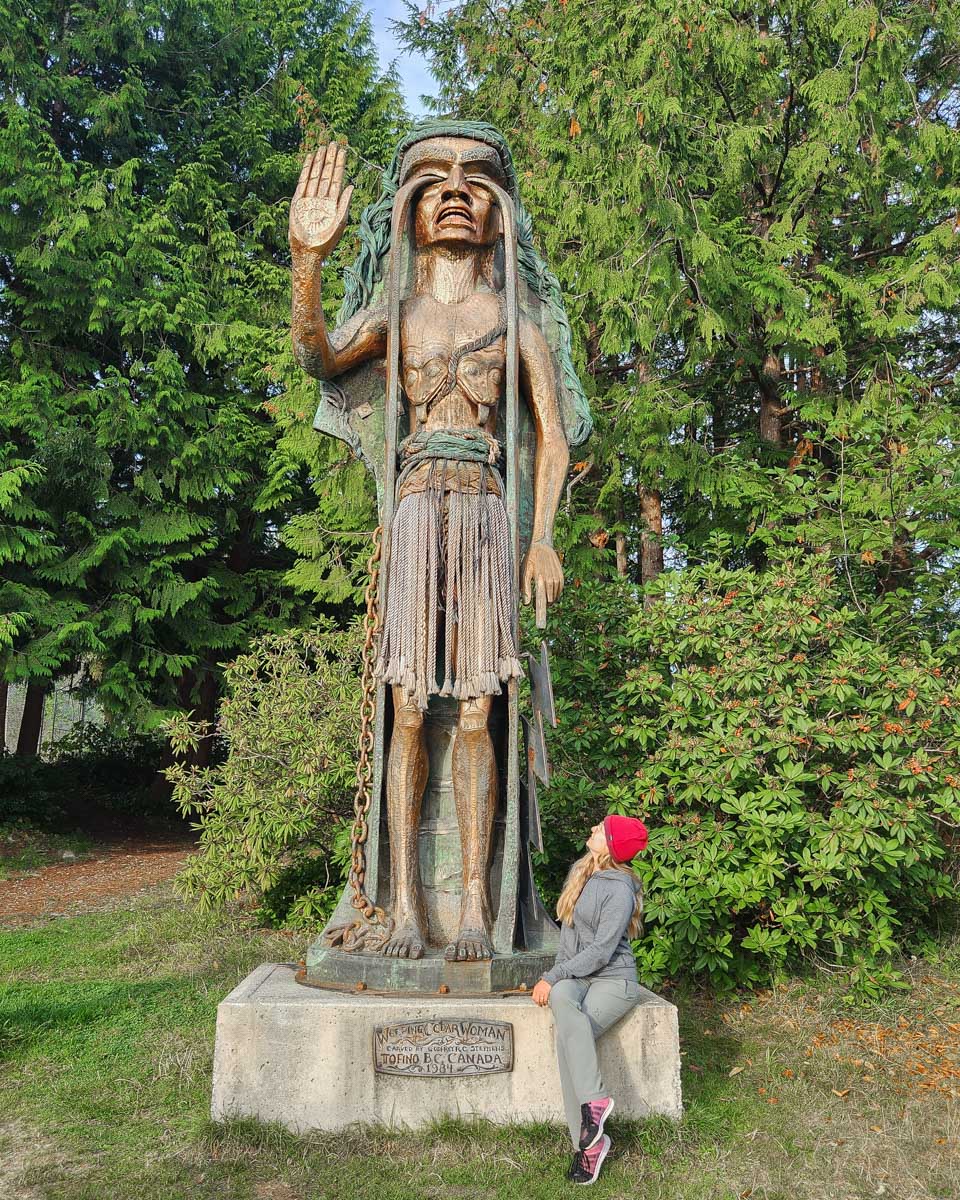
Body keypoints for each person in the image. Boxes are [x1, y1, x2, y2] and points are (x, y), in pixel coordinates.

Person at [531, 814, 649, 1185]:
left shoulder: (620, 888)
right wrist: (557, 977)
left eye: (601, 829)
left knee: (569, 1041)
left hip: (614, 980)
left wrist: (551, 976)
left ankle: (589, 1140)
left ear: (612, 846)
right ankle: (594, 1120)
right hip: (579, 978)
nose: (593, 830)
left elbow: (601, 951)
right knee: (562, 1002)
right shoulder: (583, 873)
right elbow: (569, 943)